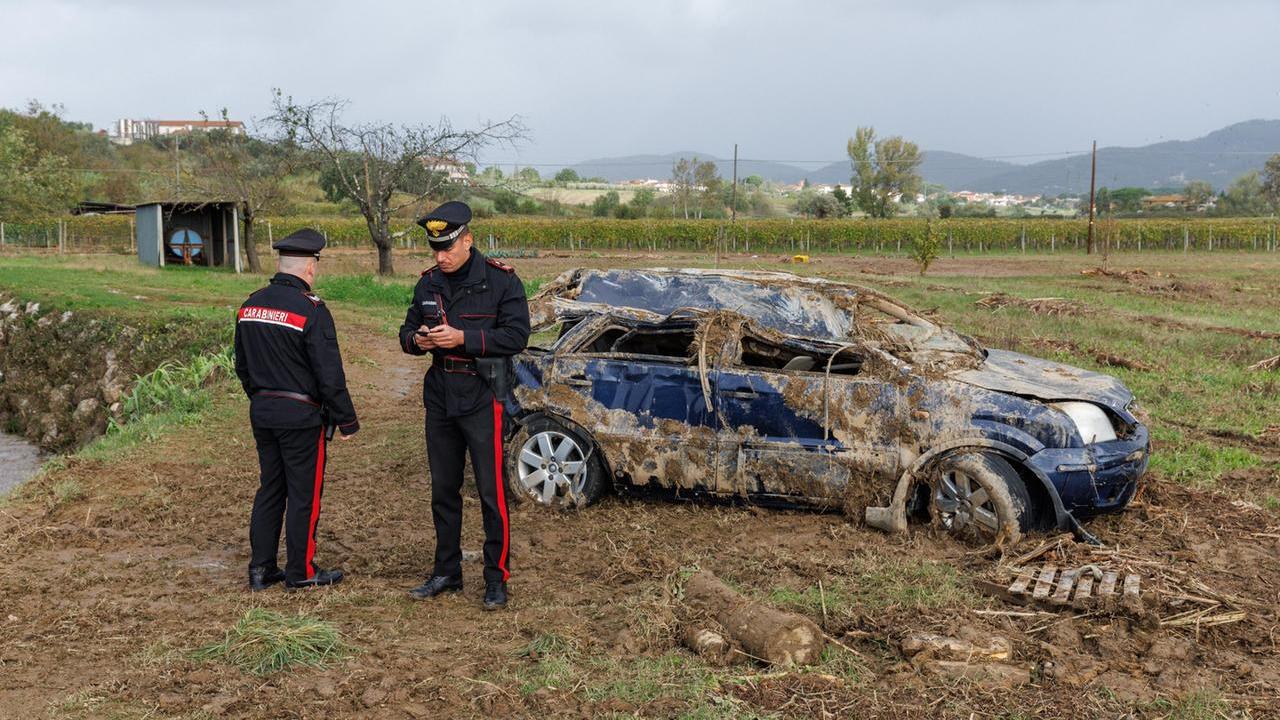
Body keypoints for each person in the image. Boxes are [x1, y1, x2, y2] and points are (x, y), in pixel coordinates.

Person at [399, 201, 530, 610]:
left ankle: (496, 578)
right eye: (435, 249)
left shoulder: (501, 281)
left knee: (491, 493)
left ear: (468, 240)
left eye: (448, 248)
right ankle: (446, 572)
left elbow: (517, 336)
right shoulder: (428, 283)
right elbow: (406, 331)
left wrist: (463, 339)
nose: (441, 256)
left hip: (482, 395)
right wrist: (417, 341)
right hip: (440, 396)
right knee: (443, 489)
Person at [234, 228, 359, 591]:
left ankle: (261, 569)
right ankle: (301, 570)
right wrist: (346, 420)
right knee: (304, 493)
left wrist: (262, 399)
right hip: (301, 417)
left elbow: (242, 365)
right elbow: (329, 374)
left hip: (263, 411)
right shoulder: (312, 309)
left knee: (271, 489)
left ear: (281, 263)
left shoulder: (249, 305)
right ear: (310, 267)